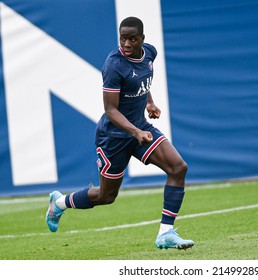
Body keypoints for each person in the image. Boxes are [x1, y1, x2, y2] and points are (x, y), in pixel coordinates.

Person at [45, 16, 194, 250]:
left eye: (132, 39)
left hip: (140, 129)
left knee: (178, 168)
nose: (125, 44)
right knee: (106, 197)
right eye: (122, 38)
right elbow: (110, 109)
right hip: (113, 137)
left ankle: (166, 232)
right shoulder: (114, 65)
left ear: (142, 40)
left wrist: (149, 103)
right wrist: (135, 131)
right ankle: (60, 203)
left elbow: (143, 79)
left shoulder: (150, 53)